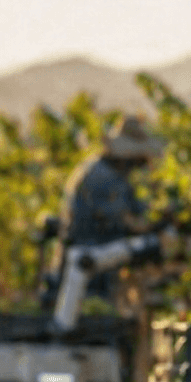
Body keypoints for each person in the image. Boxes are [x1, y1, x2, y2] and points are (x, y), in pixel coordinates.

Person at [59, 115, 166, 299]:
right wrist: (160, 223)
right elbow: (131, 222)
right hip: (90, 257)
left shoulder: (110, 172)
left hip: (93, 254)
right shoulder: (103, 177)